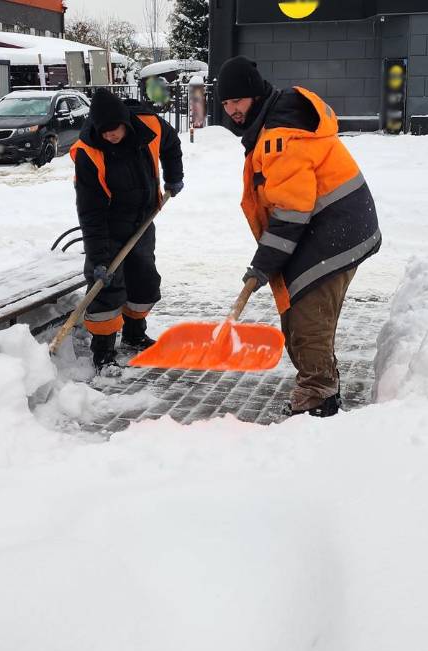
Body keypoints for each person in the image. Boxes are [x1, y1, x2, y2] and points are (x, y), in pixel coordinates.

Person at [217, 56, 382, 417]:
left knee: (307, 314)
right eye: (226, 103)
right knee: (297, 310)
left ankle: (319, 397)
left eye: (238, 101)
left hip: (336, 229)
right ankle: (322, 384)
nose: (232, 111)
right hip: (327, 224)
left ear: (255, 96)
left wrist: (261, 266)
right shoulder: (271, 125)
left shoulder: (281, 136)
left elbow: (291, 214)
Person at [71, 88, 184, 370]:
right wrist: (98, 259)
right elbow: (90, 212)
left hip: (143, 219)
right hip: (108, 225)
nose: (110, 135)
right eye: (104, 131)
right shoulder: (88, 153)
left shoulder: (150, 125)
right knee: (107, 286)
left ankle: (134, 335)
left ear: (126, 122)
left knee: (144, 279)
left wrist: (174, 176)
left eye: (115, 129)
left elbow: (171, 145)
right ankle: (103, 352)